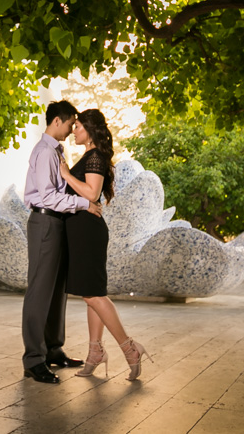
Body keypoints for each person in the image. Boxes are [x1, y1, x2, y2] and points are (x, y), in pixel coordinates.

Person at [59, 109, 152, 380]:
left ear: (89, 129)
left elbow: (92, 193)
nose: (73, 131)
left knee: (94, 295)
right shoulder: (90, 156)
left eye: (77, 127)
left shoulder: (96, 156)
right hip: (81, 231)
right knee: (91, 295)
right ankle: (95, 352)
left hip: (88, 232)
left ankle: (130, 349)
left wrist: (65, 174)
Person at [22, 100, 103, 384]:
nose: (71, 131)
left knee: (57, 291)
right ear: (58, 121)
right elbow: (47, 197)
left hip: (57, 223)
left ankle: (53, 351)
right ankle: (34, 360)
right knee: (40, 291)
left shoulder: (57, 151)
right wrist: (83, 203)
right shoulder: (45, 152)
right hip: (44, 221)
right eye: (70, 124)